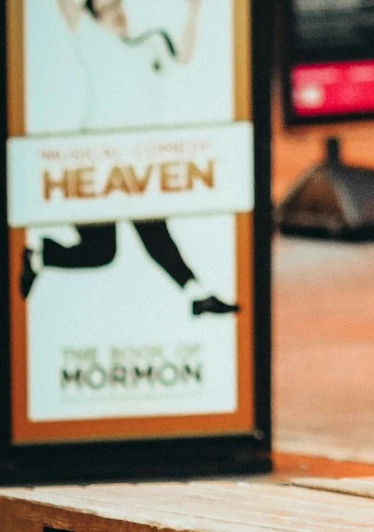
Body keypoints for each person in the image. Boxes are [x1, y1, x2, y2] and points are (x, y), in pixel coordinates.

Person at [19, 0, 237, 317]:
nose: (117, 13)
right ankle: (40, 254)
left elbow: (184, 56)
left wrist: (193, 12)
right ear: (94, 17)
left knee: (152, 229)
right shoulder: (92, 41)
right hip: (94, 162)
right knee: (102, 250)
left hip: (135, 161)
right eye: (107, 9)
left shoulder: (151, 44)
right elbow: (67, 7)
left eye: (118, 5)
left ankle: (196, 293)